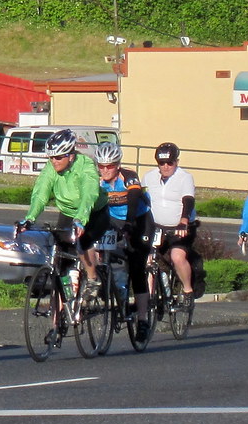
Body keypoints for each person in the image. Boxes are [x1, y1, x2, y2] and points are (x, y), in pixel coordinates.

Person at [17, 128, 109, 291]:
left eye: (58, 157)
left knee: (83, 242)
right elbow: (40, 194)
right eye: (51, 157)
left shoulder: (85, 166)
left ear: (71, 156)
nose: (54, 161)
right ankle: (60, 310)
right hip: (67, 213)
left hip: (93, 213)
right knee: (60, 262)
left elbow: (88, 195)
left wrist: (80, 220)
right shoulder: (51, 168)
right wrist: (30, 218)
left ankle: (93, 279)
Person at [96, 141, 152, 341]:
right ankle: (110, 290)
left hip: (139, 220)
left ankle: (143, 319)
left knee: (137, 267)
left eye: (109, 166)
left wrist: (129, 223)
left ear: (118, 164)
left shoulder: (128, 177)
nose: (105, 170)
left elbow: (134, 198)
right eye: (100, 166)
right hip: (113, 222)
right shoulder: (97, 181)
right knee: (101, 254)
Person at [142, 142, 197, 301]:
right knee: (149, 260)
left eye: (169, 163)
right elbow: (141, 200)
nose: (165, 166)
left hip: (179, 227)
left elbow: (188, 199)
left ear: (176, 162)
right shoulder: (149, 177)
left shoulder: (184, 177)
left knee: (177, 257)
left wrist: (184, 220)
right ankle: (150, 298)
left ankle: (187, 290)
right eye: (161, 163)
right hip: (156, 227)